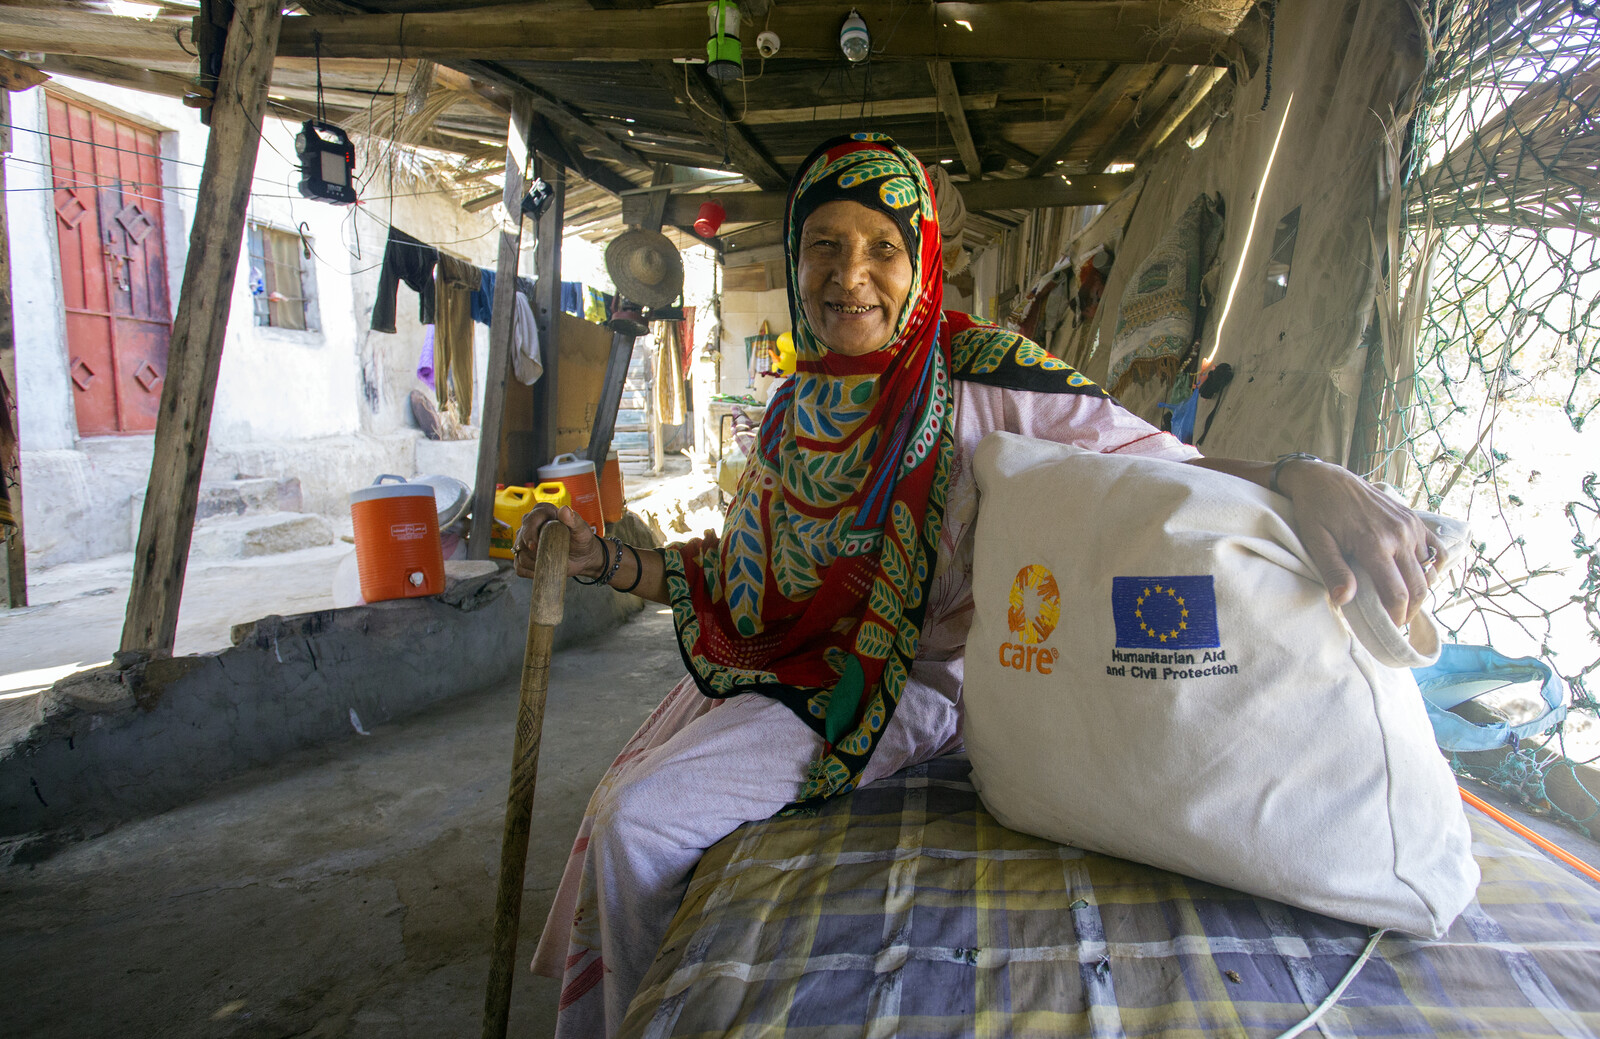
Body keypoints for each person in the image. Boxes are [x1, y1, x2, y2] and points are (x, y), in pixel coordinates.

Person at [516, 133, 1443, 1038]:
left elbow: (1166, 467)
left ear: (922, 259)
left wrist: (1297, 474)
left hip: (907, 683)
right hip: (791, 660)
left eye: (882, 248)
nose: (850, 278)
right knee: (626, 794)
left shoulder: (983, 375)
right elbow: (747, 575)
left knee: (636, 820)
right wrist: (605, 561)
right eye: (825, 248)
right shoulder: (800, 405)